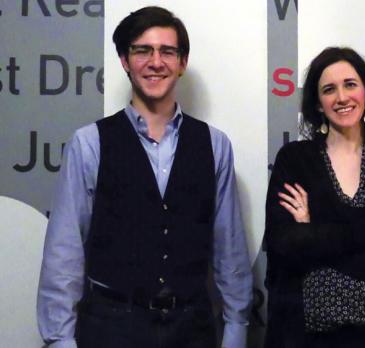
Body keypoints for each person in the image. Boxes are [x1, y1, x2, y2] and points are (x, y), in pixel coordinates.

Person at [37, 6, 252, 348]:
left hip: (192, 330)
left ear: (182, 63)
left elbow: (230, 252)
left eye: (168, 51)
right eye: (143, 51)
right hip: (110, 329)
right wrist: (60, 340)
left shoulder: (215, 145)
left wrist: (236, 330)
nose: (156, 62)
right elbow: (64, 253)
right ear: (125, 60)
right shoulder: (89, 143)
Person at [263, 47, 365, 348]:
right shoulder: (296, 161)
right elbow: (284, 245)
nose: (342, 97)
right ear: (319, 105)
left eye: (350, 84)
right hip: (303, 337)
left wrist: (314, 232)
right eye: (329, 89)